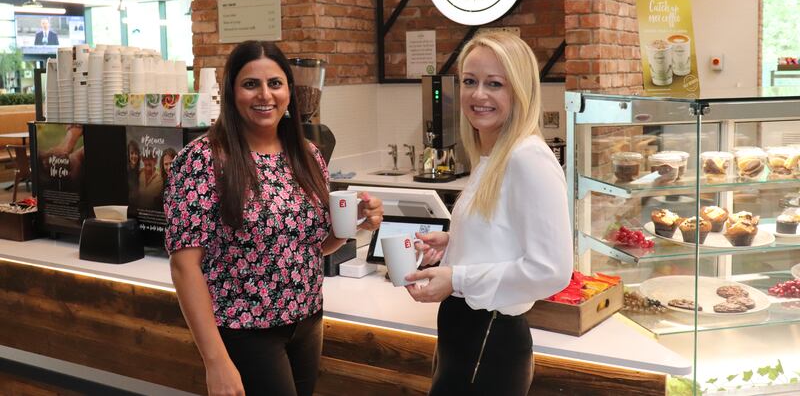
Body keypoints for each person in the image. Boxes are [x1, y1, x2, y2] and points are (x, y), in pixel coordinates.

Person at [164, 40, 383, 396]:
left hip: (307, 322)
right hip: (245, 331)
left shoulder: (308, 155)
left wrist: (352, 225)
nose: (264, 95)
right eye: (251, 84)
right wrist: (215, 361)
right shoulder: (202, 159)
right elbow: (184, 267)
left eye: (275, 83)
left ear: (289, 92)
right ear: (232, 91)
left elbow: (316, 247)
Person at [404, 32, 573, 396]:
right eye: (470, 81)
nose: (478, 95)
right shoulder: (493, 155)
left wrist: (457, 278)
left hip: (489, 339)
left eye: (494, 84)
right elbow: (504, 235)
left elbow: (552, 270)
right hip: (464, 334)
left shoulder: (527, 157)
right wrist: (454, 243)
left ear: (520, 91)